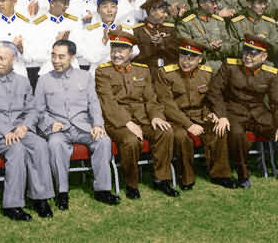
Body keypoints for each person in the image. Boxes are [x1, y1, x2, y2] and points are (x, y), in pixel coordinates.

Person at [0, 41, 55, 221]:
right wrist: (6, 131)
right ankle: (12, 205)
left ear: (14, 59)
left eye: (2, 58)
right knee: (16, 148)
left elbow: (32, 110)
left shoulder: (23, 82)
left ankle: (40, 198)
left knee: (40, 145)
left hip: (19, 130)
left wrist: (25, 126)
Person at [95, 30, 179, 199]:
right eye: (113, 50)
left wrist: (156, 116)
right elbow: (108, 103)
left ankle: (161, 179)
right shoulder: (103, 72)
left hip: (143, 119)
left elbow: (151, 98)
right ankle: (131, 184)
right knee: (131, 141)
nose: (116, 54)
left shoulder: (142, 70)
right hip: (117, 122)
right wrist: (128, 123)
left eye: (121, 51)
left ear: (130, 52)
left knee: (165, 132)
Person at [36, 40, 120, 208]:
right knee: (55, 144)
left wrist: (98, 125)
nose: (56, 60)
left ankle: (102, 190)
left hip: (83, 127)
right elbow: (38, 110)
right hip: (59, 129)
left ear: (72, 57)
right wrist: (50, 123)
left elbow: (94, 104)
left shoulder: (85, 77)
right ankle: (62, 192)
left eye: (61, 57)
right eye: (53, 55)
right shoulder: (44, 80)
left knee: (103, 141)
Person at [153, 38, 235, 189]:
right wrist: (189, 125)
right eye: (183, 57)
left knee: (218, 130)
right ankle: (186, 178)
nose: (186, 62)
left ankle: (220, 175)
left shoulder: (206, 73)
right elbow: (167, 104)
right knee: (181, 137)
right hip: (176, 118)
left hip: (200, 115)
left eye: (191, 59)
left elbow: (210, 98)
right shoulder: (165, 73)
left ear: (200, 60)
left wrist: (211, 113)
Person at [204, 34, 278, 189]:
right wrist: (222, 116)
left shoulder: (271, 73)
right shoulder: (229, 66)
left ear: (264, 57)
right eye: (245, 52)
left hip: (258, 113)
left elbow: (276, 102)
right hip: (233, 112)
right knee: (237, 135)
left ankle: (273, 166)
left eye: (253, 54)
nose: (247, 57)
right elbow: (214, 92)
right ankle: (243, 174)